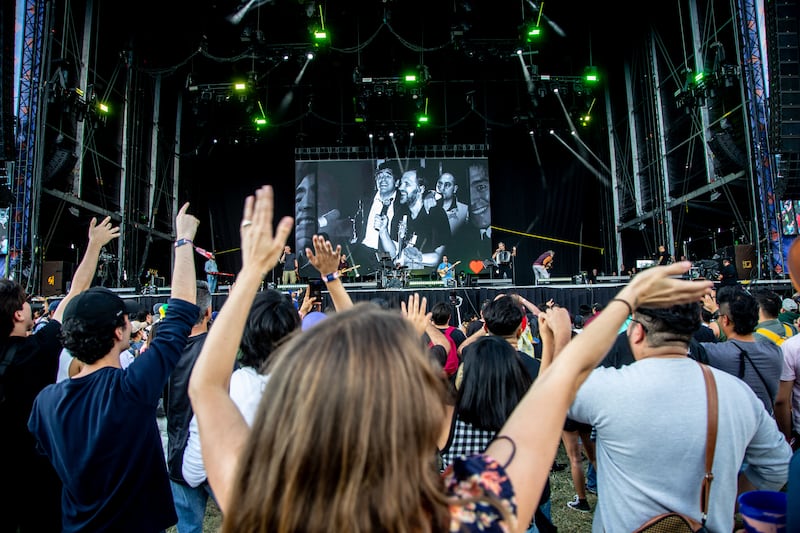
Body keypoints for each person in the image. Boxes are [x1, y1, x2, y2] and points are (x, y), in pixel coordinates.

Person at [187, 188, 713, 533]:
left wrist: (254, 273)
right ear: (412, 412)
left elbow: (207, 388)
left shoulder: (263, 507)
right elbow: (557, 383)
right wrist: (626, 298)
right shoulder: (463, 512)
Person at [28, 203, 200, 532]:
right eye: (126, 320)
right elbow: (179, 313)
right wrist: (184, 240)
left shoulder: (45, 404)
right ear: (119, 332)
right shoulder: (129, 389)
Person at [566, 301, 792, 532]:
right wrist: (726, 500)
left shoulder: (604, 387)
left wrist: (557, 337)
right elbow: (779, 464)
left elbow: (545, 397)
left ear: (637, 332)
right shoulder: (737, 392)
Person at [0, 216, 119, 533]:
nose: (31, 305)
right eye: (26, 302)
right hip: (38, 470)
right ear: (17, 314)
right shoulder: (38, 349)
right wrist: (93, 245)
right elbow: (76, 290)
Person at [165, 280, 213, 533]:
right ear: (207, 313)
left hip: (178, 453)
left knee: (188, 528)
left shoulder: (163, 353)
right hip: (213, 456)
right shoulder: (219, 349)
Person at [700, 284, 784, 414]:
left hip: (735, 428)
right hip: (767, 424)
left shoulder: (713, 353)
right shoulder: (775, 352)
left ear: (725, 320)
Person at [377, 169, 450, 268]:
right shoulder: (400, 213)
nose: (401, 187)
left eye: (407, 184)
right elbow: (393, 254)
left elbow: (439, 257)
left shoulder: (436, 214)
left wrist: (411, 258)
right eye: (401, 183)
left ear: (421, 189)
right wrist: (383, 231)